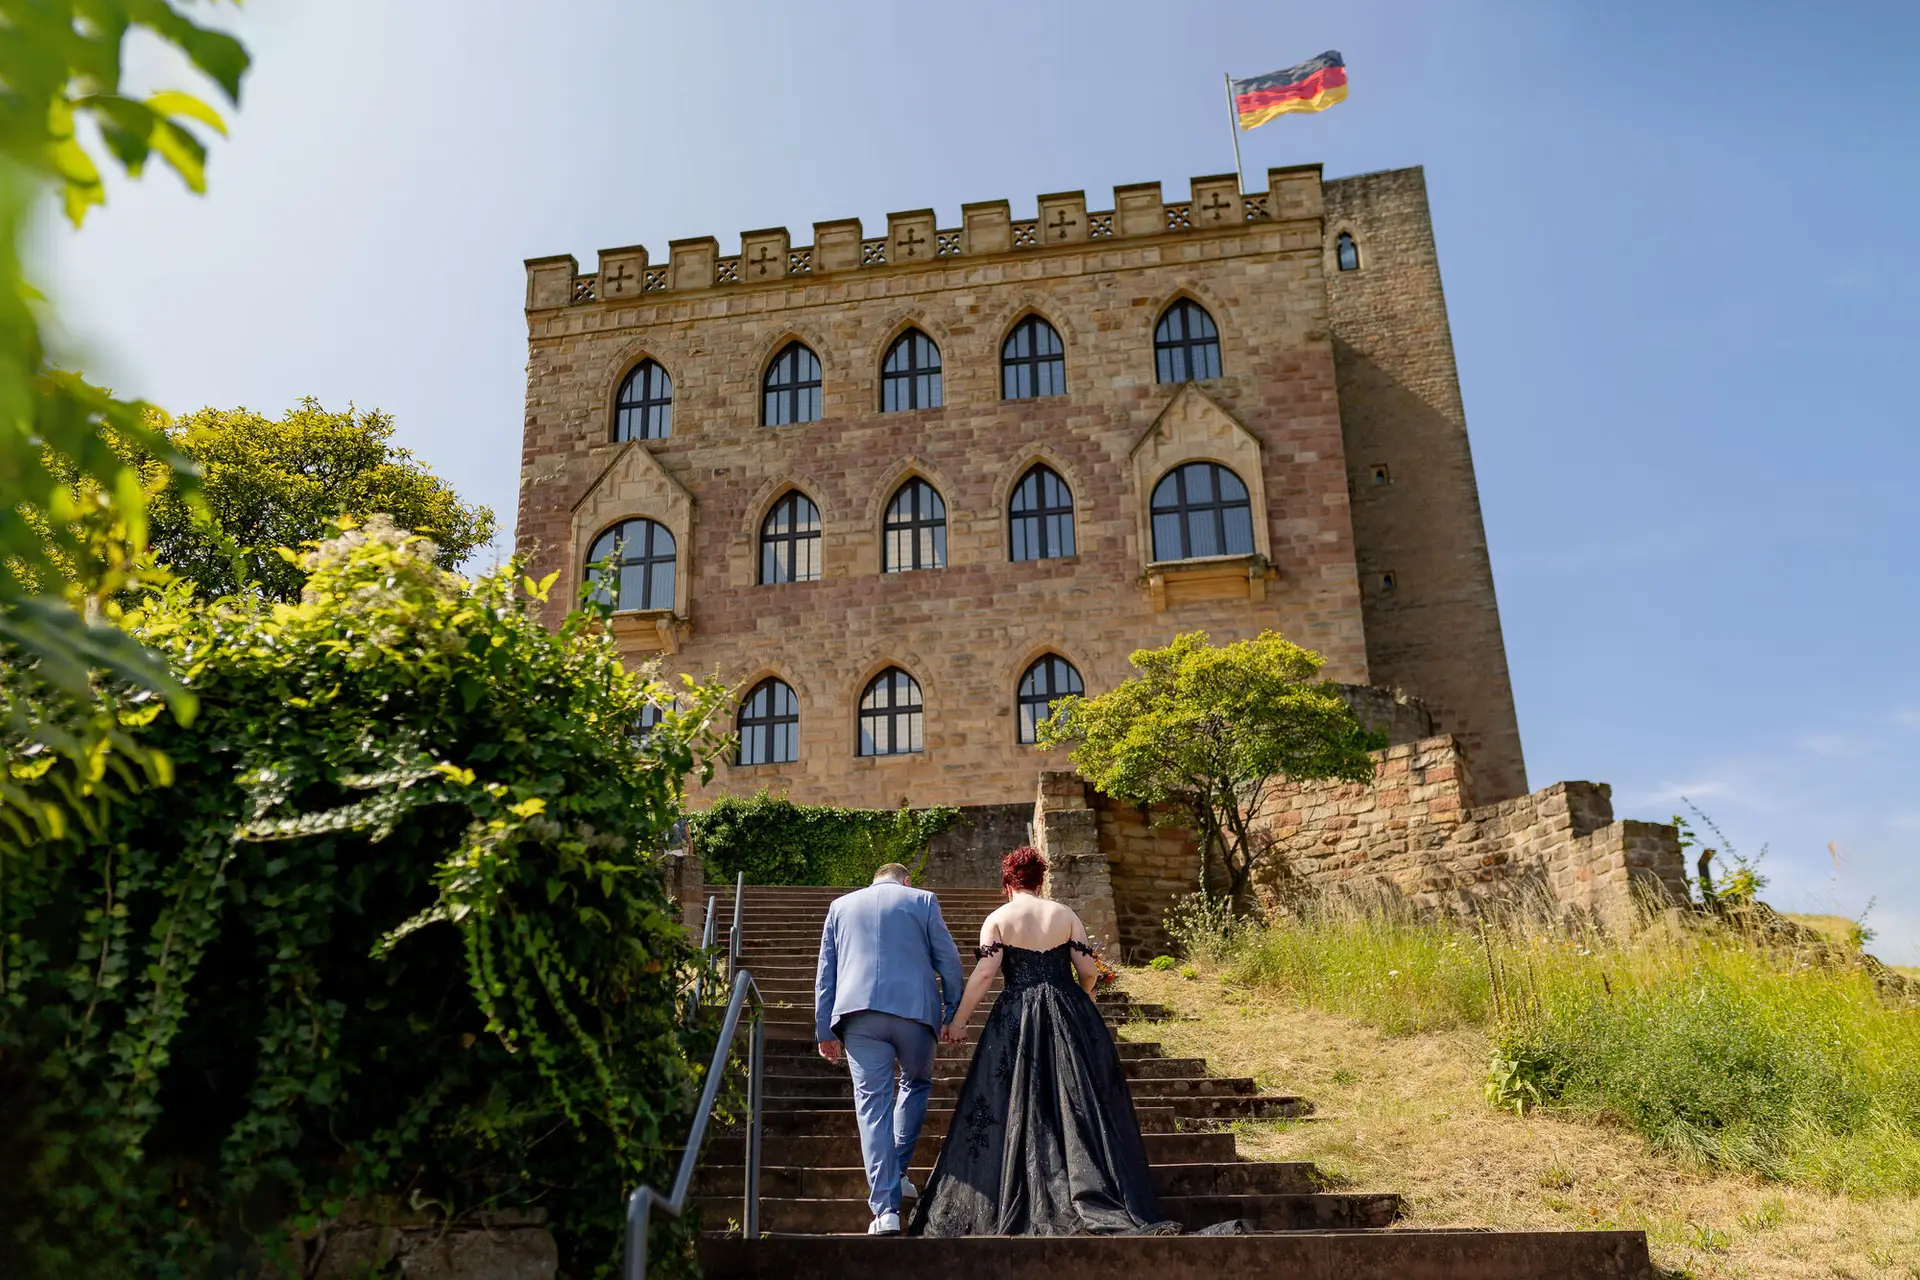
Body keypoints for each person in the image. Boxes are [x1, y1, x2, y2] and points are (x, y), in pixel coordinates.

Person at [907, 846, 1180, 1237]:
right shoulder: (1064, 915)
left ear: (1007, 882)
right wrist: (1085, 996)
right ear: (1040, 880)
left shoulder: (998, 918)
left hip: (1016, 1016)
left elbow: (985, 974)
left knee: (1016, 1098)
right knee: (1077, 1101)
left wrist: (958, 1021)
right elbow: (1089, 970)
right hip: (1069, 1013)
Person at [814, 862, 966, 1236]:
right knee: (915, 1084)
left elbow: (826, 972)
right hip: (915, 1013)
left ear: (874, 878)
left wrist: (823, 1030)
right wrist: (953, 1011)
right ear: (906, 880)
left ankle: (885, 1211)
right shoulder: (924, 900)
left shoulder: (841, 906)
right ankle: (897, 1172)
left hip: (859, 1015)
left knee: (871, 1106)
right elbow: (949, 960)